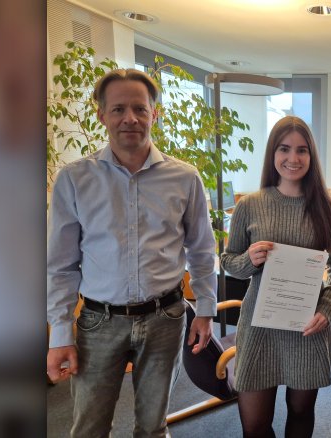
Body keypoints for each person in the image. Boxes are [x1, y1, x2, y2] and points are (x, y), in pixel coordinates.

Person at [46, 68, 217, 437]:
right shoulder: (75, 179)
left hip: (166, 319)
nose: (130, 119)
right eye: (119, 108)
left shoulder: (185, 178)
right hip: (98, 322)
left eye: (140, 108)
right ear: (101, 114)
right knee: (88, 427)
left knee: (153, 427)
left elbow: (202, 249)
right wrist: (60, 334)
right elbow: (60, 265)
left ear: (155, 114)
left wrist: (206, 308)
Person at [220, 116, 331, 438]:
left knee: (301, 413)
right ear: (272, 154)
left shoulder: (330, 209)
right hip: (259, 326)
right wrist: (248, 260)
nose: (293, 158)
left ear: (311, 156)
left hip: (308, 326)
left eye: (302, 150)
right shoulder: (250, 205)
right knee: (255, 426)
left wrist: (328, 309)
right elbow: (227, 261)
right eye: (285, 149)